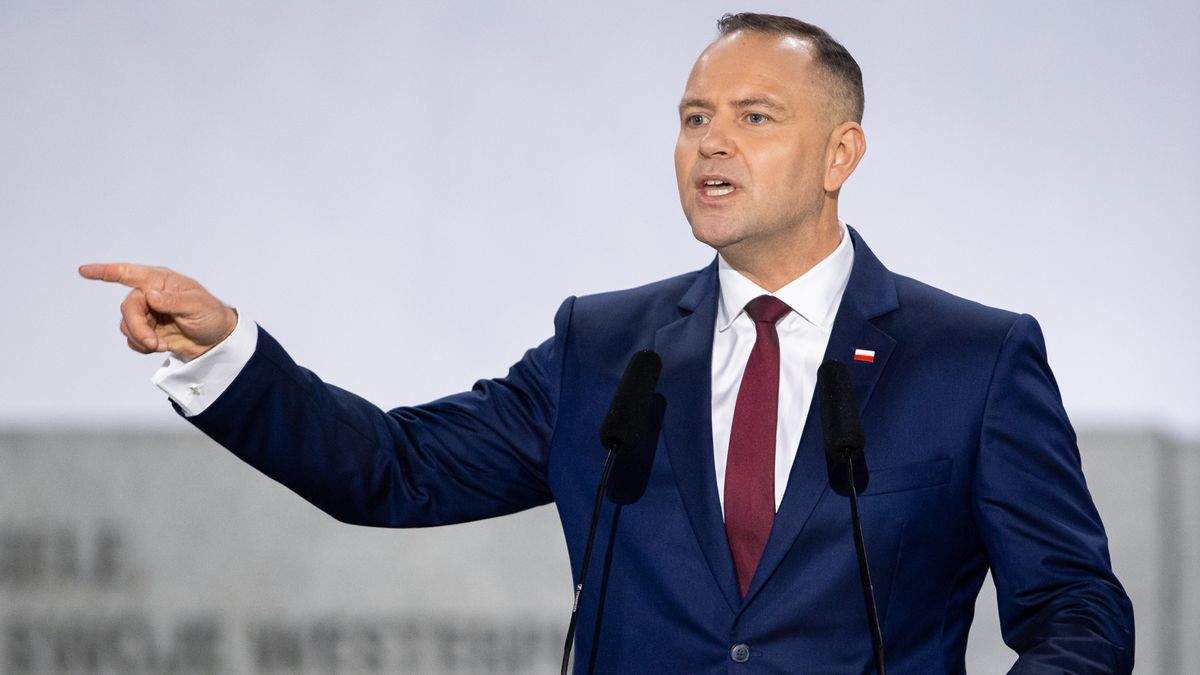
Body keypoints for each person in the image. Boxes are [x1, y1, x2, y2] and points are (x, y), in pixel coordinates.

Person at [81, 13, 1134, 674]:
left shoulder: (973, 360)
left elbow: (1078, 612)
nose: (710, 142)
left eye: (754, 117)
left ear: (839, 153)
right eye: (692, 117)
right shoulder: (608, 348)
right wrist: (224, 350)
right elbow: (392, 471)